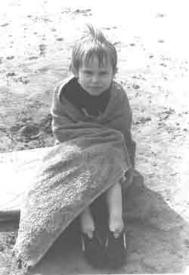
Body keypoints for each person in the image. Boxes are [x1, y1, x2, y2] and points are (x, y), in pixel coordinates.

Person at [51, 24, 136, 268]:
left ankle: (116, 224)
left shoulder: (117, 96)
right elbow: (61, 129)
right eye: (88, 72)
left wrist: (125, 162)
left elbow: (121, 133)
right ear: (74, 70)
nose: (95, 80)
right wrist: (85, 143)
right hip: (76, 147)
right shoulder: (64, 94)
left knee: (112, 166)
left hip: (108, 147)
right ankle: (86, 222)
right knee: (77, 171)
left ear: (114, 72)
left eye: (103, 73)